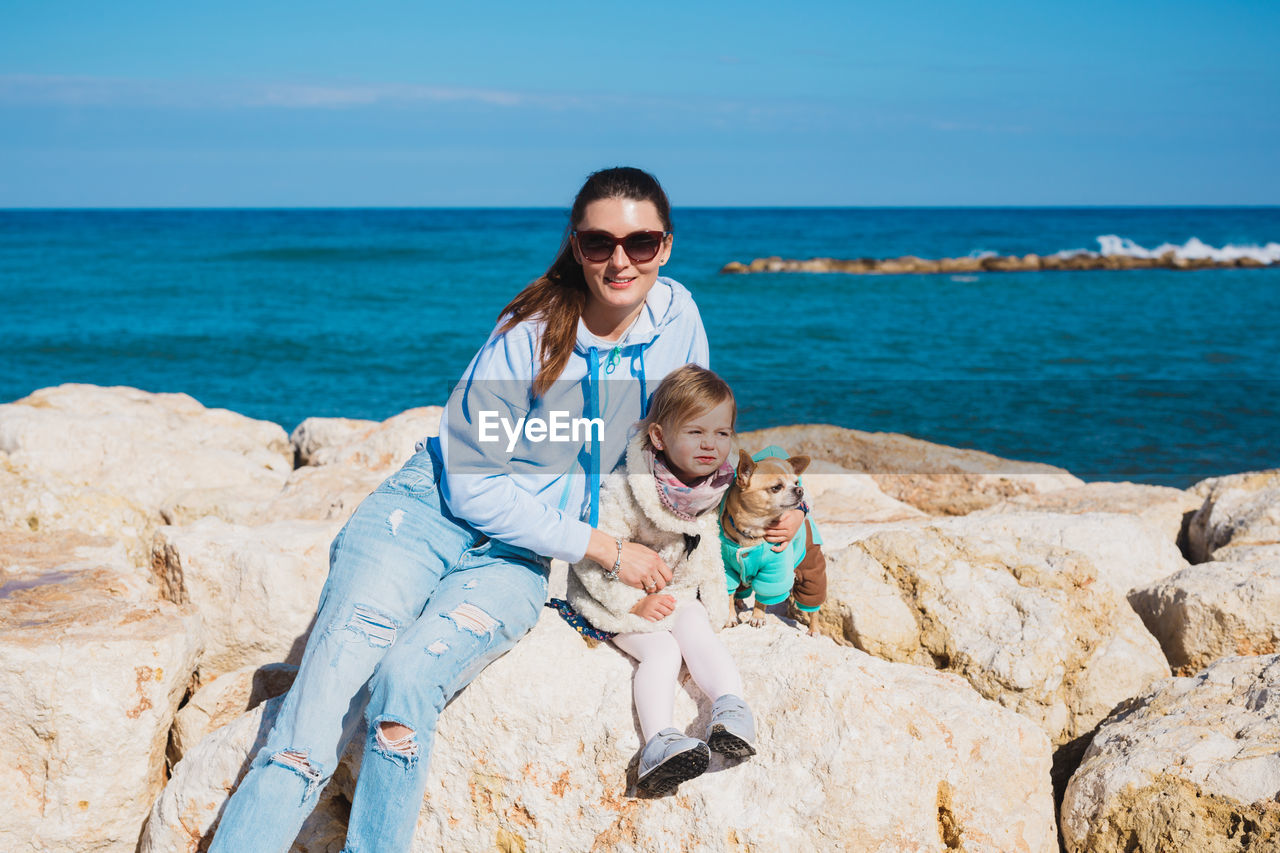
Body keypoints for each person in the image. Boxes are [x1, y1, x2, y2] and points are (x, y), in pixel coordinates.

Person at [210, 167, 722, 852]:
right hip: (422, 517)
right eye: (600, 242)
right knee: (310, 727)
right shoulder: (530, 333)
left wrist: (756, 509)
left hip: (518, 557)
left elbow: (684, 440)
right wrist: (603, 547)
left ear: (666, 246)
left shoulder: (677, 317)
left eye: (641, 242)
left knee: (404, 687)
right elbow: (474, 484)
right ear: (576, 244)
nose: (620, 259)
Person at [565, 364, 757, 797]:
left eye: (722, 433)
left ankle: (731, 709)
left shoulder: (714, 483)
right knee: (663, 650)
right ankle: (660, 742)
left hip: (675, 592)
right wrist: (631, 604)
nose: (711, 444)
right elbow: (592, 558)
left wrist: (794, 517)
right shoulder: (626, 487)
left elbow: (752, 503)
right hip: (613, 599)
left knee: (697, 628)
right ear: (658, 438)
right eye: (694, 432)